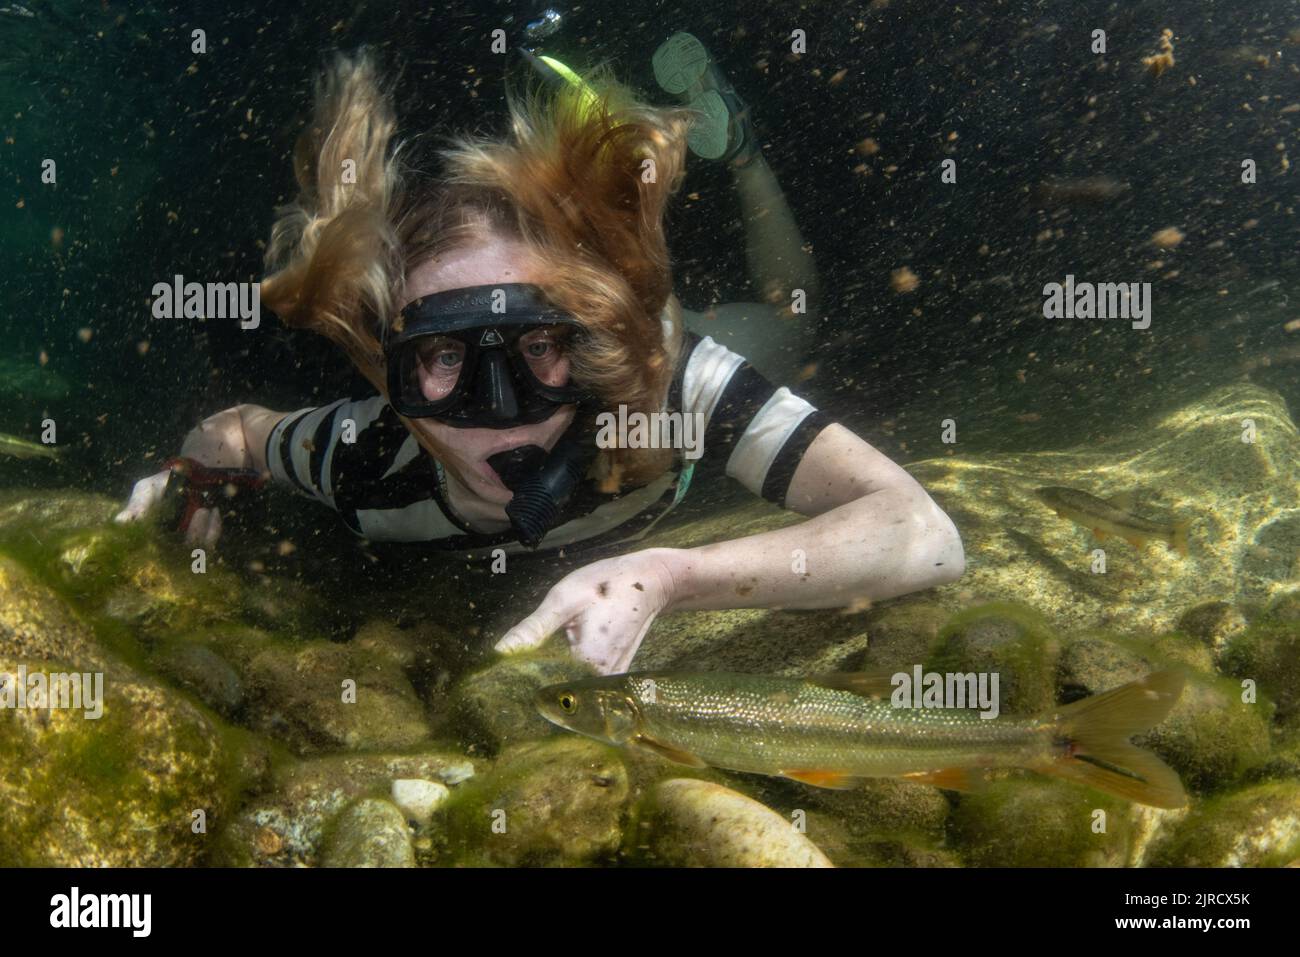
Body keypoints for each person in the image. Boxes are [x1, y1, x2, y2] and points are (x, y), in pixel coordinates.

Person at [116, 41, 965, 675]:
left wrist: (669, 575)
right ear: (390, 374)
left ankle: (738, 147)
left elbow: (922, 533)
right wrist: (188, 473)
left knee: (790, 321)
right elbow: (234, 432)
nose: (505, 404)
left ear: (590, 333)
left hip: (661, 336)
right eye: (444, 357)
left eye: (538, 344)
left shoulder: (663, 388)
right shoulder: (366, 458)